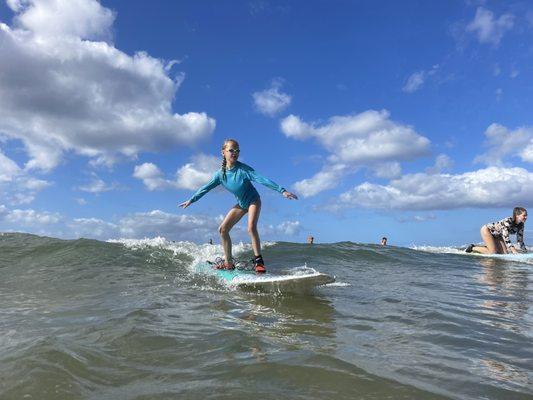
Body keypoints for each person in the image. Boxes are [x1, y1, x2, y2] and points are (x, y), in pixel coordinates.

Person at [179, 139, 298, 273]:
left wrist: (282, 190)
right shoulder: (220, 175)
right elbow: (205, 188)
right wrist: (192, 200)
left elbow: (262, 179)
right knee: (223, 229)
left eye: (237, 151)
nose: (234, 153)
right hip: (242, 204)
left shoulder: (244, 169)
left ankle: (259, 261)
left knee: (251, 227)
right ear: (223, 152)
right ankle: (228, 262)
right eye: (231, 150)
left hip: (253, 200)